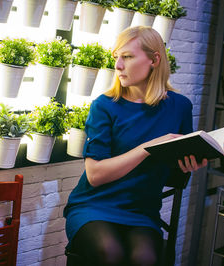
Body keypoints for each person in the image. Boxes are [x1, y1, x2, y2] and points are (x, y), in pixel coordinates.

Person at [63, 26, 208, 266]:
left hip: (141, 212)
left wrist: (189, 165)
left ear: (154, 59)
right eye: (116, 57)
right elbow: (95, 175)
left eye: (127, 57)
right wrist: (147, 147)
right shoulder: (105, 106)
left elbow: (174, 174)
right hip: (94, 207)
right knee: (110, 254)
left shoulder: (180, 106)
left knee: (146, 259)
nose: (118, 65)